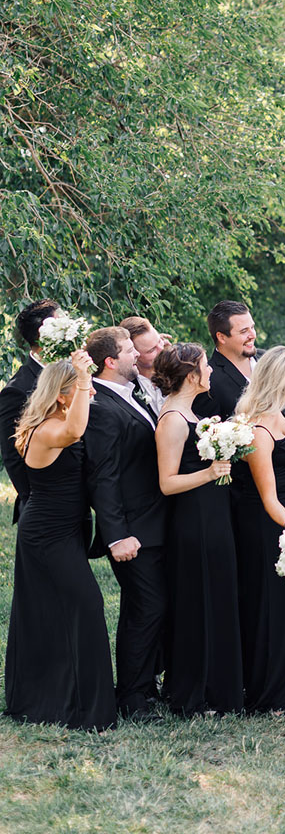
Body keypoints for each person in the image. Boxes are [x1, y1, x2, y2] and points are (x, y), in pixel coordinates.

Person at [5, 350, 116, 730]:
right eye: (80, 390)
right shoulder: (48, 429)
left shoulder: (53, 420)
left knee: (55, 611)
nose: (90, 393)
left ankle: (57, 696)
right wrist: (85, 377)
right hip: (46, 533)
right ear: (62, 395)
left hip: (65, 529)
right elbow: (75, 431)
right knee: (85, 604)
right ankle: (82, 706)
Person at [153, 342, 243, 715]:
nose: (210, 372)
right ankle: (191, 694)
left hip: (214, 516)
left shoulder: (191, 413)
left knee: (216, 601)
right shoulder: (173, 419)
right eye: (206, 367)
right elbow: (167, 483)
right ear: (191, 375)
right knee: (197, 606)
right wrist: (209, 472)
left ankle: (217, 689)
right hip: (194, 522)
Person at [83, 326, 168, 720]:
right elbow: (103, 477)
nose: (139, 356)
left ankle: (147, 684)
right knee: (145, 609)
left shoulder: (131, 397)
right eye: (130, 351)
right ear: (110, 362)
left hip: (154, 524)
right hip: (132, 531)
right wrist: (116, 536)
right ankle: (132, 697)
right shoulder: (100, 408)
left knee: (154, 607)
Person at [232, 346, 285, 711]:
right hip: (268, 525)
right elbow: (267, 497)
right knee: (268, 604)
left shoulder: (283, 414)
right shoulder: (257, 430)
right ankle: (270, 691)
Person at [0, 299, 60, 523]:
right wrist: (37, 498)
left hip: (73, 501)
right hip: (43, 506)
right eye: (61, 323)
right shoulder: (18, 390)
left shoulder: (72, 373)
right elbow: (12, 456)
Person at [193, 301, 260, 420]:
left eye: (252, 327)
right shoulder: (208, 381)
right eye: (244, 331)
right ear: (222, 337)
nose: (253, 335)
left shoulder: (267, 359)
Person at [119, 316, 168, 415]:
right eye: (152, 350)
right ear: (134, 355)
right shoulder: (126, 389)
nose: (161, 349)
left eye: (159, 341)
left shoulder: (180, 370)